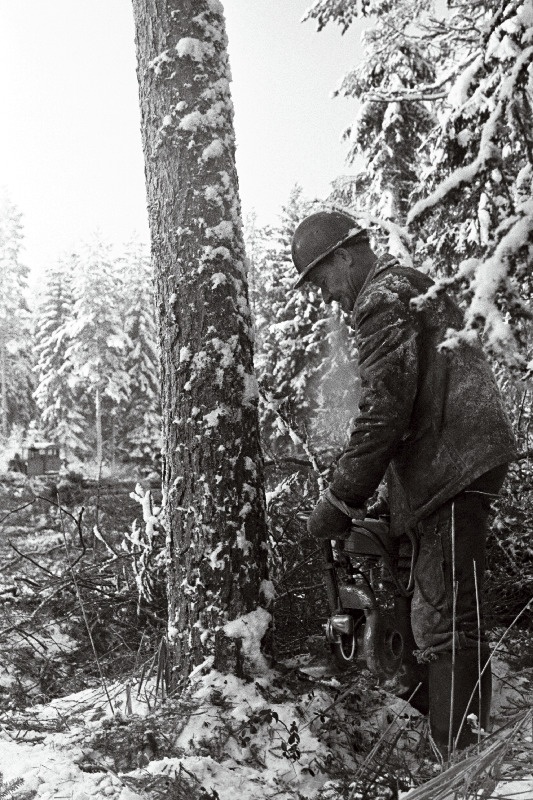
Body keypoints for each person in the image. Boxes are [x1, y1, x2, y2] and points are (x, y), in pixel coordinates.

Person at [291, 208, 517, 755]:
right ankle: (461, 744)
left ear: (344, 257)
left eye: (322, 281)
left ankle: (458, 764)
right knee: (438, 613)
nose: (327, 298)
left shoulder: (382, 297)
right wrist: (393, 507)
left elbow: (385, 411)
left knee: (446, 621)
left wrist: (341, 499)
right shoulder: (407, 288)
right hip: (456, 460)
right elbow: (410, 401)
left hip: (451, 467)